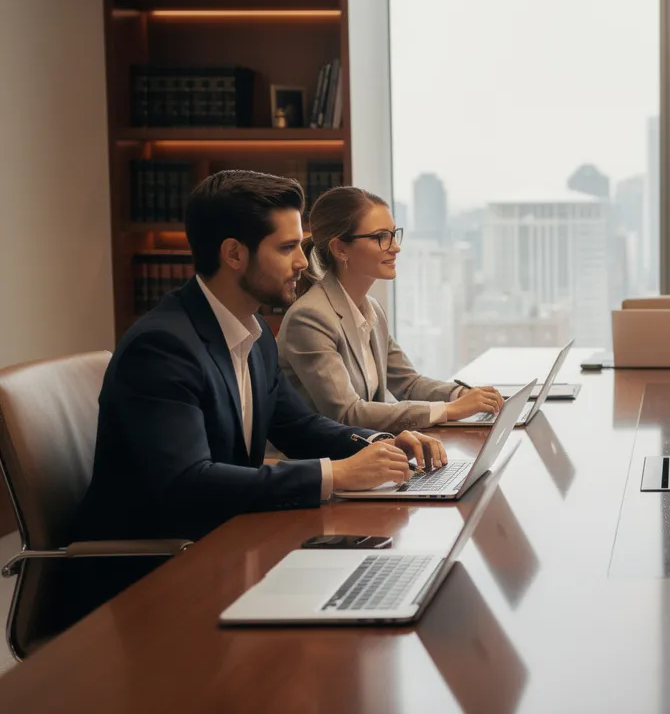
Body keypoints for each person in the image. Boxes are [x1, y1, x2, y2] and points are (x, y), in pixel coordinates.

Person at [72, 170, 448, 616]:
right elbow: (189, 484)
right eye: (287, 248)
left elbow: (298, 426)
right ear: (234, 254)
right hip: (149, 581)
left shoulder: (253, 333)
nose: (304, 263)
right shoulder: (163, 348)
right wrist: (337, 475)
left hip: (225, 549)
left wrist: (378, 445)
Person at [276, 186, 502, 431]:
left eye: (394, 234)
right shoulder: (310, 318)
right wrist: (448, 410)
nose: (395, 247)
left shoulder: (371, 309)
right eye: (381, 237)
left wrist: (461, 394)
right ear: (340, 248)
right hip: (315, 463)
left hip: (366, 454)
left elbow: (408, 384)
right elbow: (347, 414)